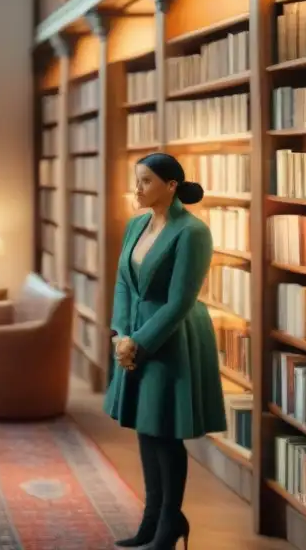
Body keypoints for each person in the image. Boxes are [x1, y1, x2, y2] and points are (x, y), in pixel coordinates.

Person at [106, 152, 226, 550]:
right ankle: (152, 521)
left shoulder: (192, 232)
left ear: (171, 186)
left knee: (165, 433)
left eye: (145, 181)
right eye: (137, 180)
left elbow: (180, 301)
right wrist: (121, 333)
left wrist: (138, 342)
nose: (137, 188)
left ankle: (167, 526)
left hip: (171, 338)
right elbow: (123, 283)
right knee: (145, 428)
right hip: (134, 335)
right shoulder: (136, 225)